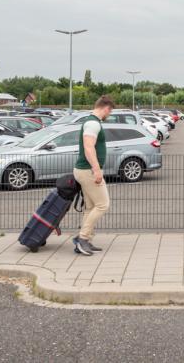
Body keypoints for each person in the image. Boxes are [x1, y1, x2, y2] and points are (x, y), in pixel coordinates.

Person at [71, 95, 115, 256]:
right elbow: (89, 147)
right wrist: (96, 170)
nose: (109, 114)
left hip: (86, 170)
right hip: (88, 171)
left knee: (90, 207)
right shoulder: (92, 123)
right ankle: (82, 239)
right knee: (103, 205)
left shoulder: (92, 122)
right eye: (110, 111)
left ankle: (86, 240)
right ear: (106, 108)